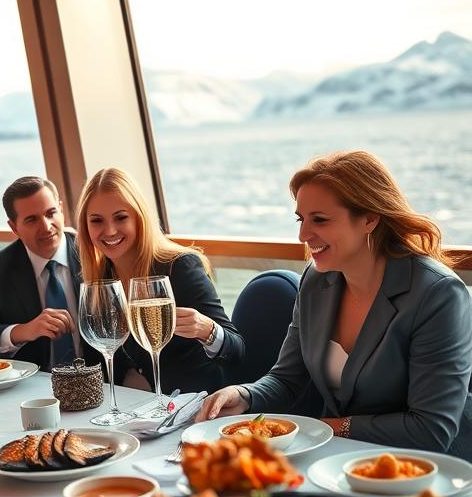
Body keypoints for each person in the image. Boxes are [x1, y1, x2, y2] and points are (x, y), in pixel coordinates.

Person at [197, 151, 472, 455]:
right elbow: (286, 379)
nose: (303, 234)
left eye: (320, 220)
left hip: (427, 468)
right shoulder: (315, 281)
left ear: (369, 218)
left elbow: (431, 430)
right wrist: (244, 395)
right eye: (301, 219)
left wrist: (330, 426)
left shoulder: (438, 294)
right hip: (340, 457)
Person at [77, 167, 243, 395]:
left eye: (121, 217)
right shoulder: (99, 281)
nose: (110, 230)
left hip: (195, 407)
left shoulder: (179, 266)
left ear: (139, 219)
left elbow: (237, 351)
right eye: (97, 221)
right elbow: (99, 362)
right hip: (137, 410)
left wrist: (207, 330)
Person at [0, 176, 99, 371]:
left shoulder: (94, 251)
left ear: (61, 209)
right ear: (14, 227)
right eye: (32, 220)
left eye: (51, 213)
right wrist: (23, 331)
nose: (46, 226)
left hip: (102, 378)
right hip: (35, 385)